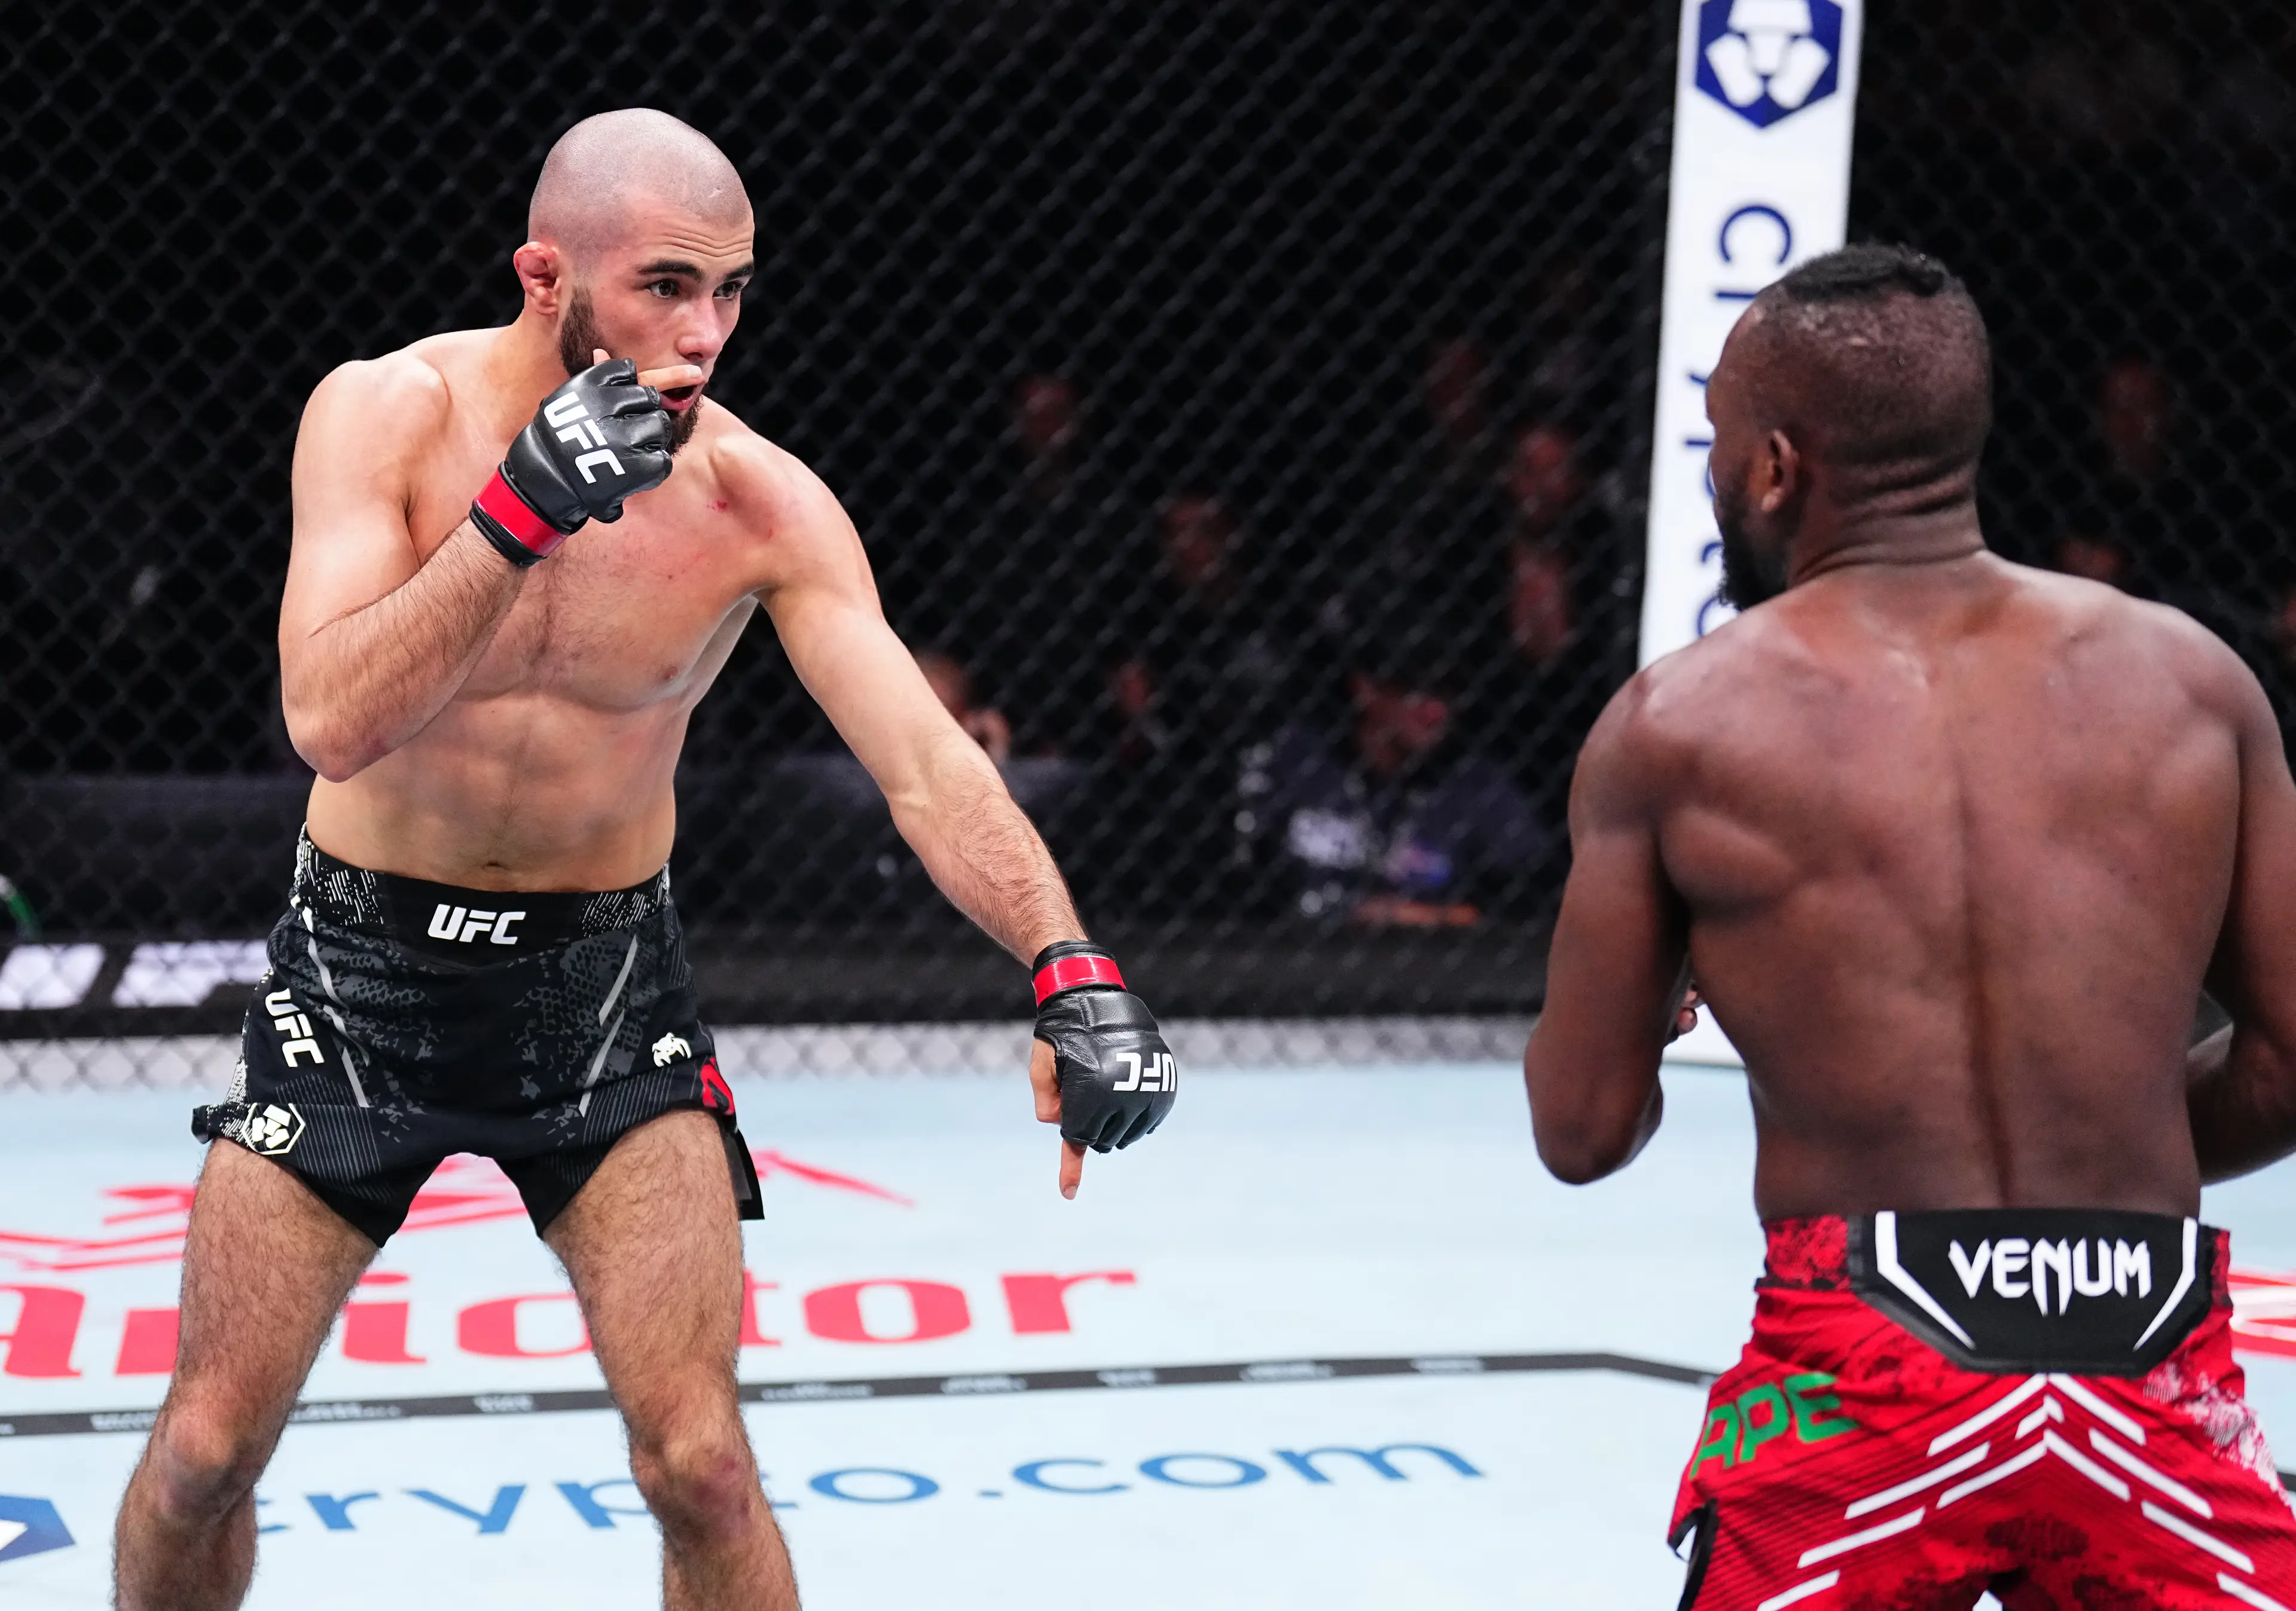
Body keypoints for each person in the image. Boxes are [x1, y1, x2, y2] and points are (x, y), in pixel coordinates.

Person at [112, 109, 1177, 1611]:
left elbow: (929, 768)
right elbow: (328, 720)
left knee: (701, 1465)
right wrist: (518, 514)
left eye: (731, 290)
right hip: (357, 978)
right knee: (205, 1451)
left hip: (600, 989)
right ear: (547, 278)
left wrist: (1072, 964)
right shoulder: (383, 416)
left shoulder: (757, 502)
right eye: (667, 287)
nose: (707, 333)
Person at [1524, 244, 2296, 1607]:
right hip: (2148, 1346)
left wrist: (1657, 998)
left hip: (1861, 1378)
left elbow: (1582, 1130)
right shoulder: (2196, 686)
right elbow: (2292, 1060)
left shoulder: (1679, 728)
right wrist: (2102, 1180)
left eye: (1715, 445)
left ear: (1775, 465)